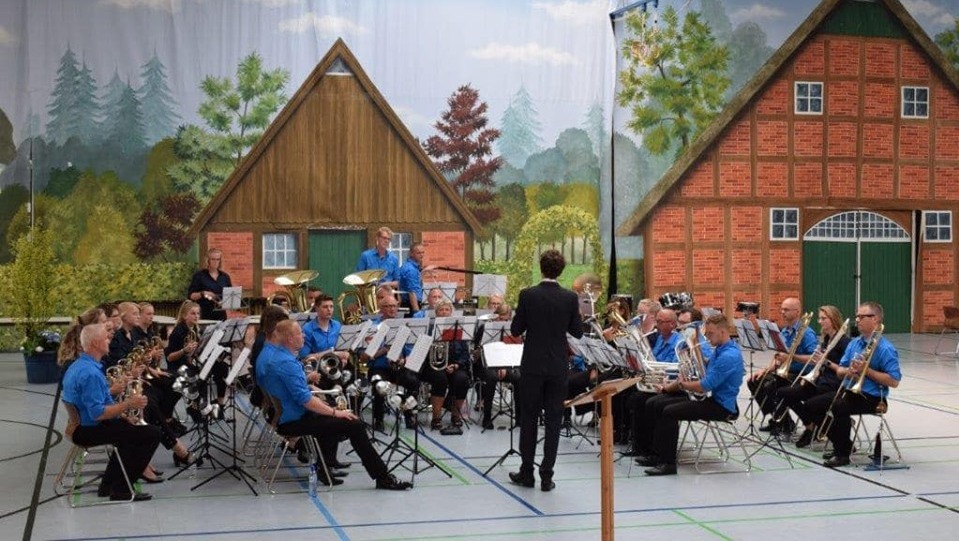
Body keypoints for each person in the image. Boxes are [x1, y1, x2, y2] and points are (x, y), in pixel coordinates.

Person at [256, 320, 412, 490]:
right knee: (354, 424)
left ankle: (324, 467)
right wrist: (335, 413)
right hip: (293, 419)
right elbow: (305, 400)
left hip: (283, 414)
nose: (304, 335)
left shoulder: (274, 355)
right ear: (290, 339)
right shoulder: (286, 363)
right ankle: (383, 478)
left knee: (335, 414)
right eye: (300, 333)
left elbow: (293, 389)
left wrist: (323, 400)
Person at [508, 249, 582, 492]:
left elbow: (516, 330)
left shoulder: (528, 295)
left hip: (532, 364)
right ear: (561, 271)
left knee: (528, 418)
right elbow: (577, 332)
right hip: (557, 366)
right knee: (553, 421)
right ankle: (547, 476)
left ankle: (527, 472)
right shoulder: (570, 298)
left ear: (541, 268)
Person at [61, 323, 162, 501]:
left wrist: (122, 415)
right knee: (152, 434)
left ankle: (109, 485)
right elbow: (98, 413)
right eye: (105, 338)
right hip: (87, 430)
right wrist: (129, 404)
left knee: (130, 432)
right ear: (95, 343)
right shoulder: (91, 374)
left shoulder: (80, 366)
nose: (109, 340)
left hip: (81, 425)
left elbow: (100, 403)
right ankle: (121, 489)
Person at [636, 312, 745, 476]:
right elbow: (708, 370)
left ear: (723, 332)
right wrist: (695, 358)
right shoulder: (720, 349)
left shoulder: (729, 355)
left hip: (720, 405)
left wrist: (682, 383)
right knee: (656, 403)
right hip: (710, 399)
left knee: (668, 411)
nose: (707, 338)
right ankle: (656, 454)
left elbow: (704, 387)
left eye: (710, 334)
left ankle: (668, 463)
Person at [816, 302, 901, 467]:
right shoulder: (854, 343)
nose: (857, 320)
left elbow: (893, 381)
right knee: (814, 404)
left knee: (839, 407)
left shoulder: (885, 348)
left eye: (862, 317)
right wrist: (850, 371)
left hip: (873, 397)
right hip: (850, 391)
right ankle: (844, 444)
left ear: (875, 319)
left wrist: (866, 370)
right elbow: (840, 371)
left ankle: (842, 454)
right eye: (857, 317)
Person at [777, 305, 850, 448]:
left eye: (823, 318)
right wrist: (817, 368)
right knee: (784, 392)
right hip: (821, 380)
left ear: (833, 319)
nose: (820, 321)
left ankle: (821, 428)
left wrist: (825, 362)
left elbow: (843, 370)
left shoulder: (844, 342)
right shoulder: (826, 339)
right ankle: (811, 425)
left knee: (810, 403)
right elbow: (821, 364)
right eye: (819, 318)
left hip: (834, 384)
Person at [747, 297, 817, 436]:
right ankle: (780, 419)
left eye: (786, 310)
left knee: (771, 386)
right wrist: (765, 370)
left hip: (800, 373)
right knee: (754, 381)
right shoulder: (784, 331)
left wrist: (792, 357)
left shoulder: (807, 333)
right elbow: (779, 357)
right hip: (785, 371)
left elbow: (813, 359)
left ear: (797, 312)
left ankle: (783, 422)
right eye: (782, 309)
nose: (782, 312)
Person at [361, 295, 421, 431]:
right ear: (381, 309)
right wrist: (385, 350)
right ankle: (378, 419)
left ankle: (409, 415)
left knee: (413, 381)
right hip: (379, 367)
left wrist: (403, 360)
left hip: (398, 367)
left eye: (394, 306)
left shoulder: (404, 326)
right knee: (378, 384)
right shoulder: (372, 327)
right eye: (387, 306)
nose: (391, 309)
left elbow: (410, 352)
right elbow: (364, 358)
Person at [422, 299, 471, 434]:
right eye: (441, 310)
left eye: (447, 310)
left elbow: (465, 353)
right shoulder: (430, 329)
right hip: (434, 366)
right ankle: (436, 417)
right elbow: (423, 351)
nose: (444, 312)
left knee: (462, 379)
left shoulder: (458, 328)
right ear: (436, 313)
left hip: (455, 365)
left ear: (451, 312)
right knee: (440, 379)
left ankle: (456, 415)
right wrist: (440, 364)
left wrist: (456, 365)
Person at [188, 248, 232, 321]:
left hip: (221, 316)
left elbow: (229, 297)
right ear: (208, 260)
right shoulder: (199, 276)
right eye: (213, 259)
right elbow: (191, 296)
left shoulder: (225, 277)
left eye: (218, 259)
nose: (215, 262)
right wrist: (203, 293)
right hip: (204, 315)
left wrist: (225, 303)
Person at [397, 242, 437, 313]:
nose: (421, 255)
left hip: (410, 303)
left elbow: (416, 282)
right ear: (411, 254)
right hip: (410, 304)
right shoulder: (411, 269)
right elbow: (412, 293)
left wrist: (424, 271)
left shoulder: (412, 267)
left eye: (423, 252)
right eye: (418, 253)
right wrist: (417, 313)